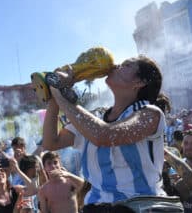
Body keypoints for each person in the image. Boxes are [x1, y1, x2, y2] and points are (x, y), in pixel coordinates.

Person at [43, 56, 168, 212]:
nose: (116, 65)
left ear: (139, 82)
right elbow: (50, 142)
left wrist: (60, 90)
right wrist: (54, 96)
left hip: (139, 206)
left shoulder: (150, 114)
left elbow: (104, 135)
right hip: (97, 207)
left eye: (126, 65)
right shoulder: (95, 119)